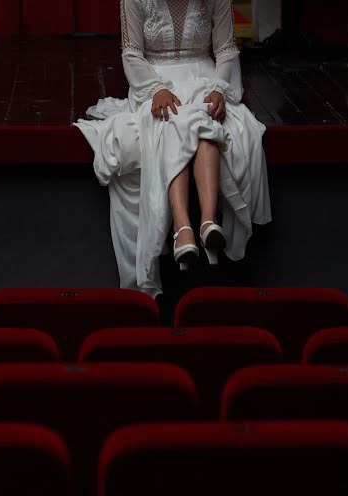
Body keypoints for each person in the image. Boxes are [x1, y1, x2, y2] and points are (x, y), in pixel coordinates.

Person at [75, 0, 272, 298]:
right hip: (155, 80)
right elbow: (132, 53)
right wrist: (155, 88)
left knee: (205, 121)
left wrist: (219, 87)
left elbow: (226, 51)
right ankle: (184, 227)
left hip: (204, 78)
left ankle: (206, 223)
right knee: (169, 123)